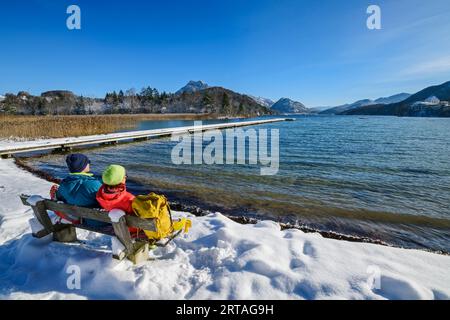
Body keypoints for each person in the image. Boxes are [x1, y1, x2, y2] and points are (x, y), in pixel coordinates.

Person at [55, 153, 103, 227]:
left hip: (77, 218)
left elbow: (59, 197)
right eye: (88, 162)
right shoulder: (93, 184)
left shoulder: (64, 184)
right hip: (97, 222)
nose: (89, 163)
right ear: (82, 166)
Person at [96, 165, 138, 234]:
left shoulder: (101, 196)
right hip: (130, 230)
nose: (125, 177)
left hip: (116, 225)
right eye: (125, 176)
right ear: (121, 180)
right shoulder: (129, 199)